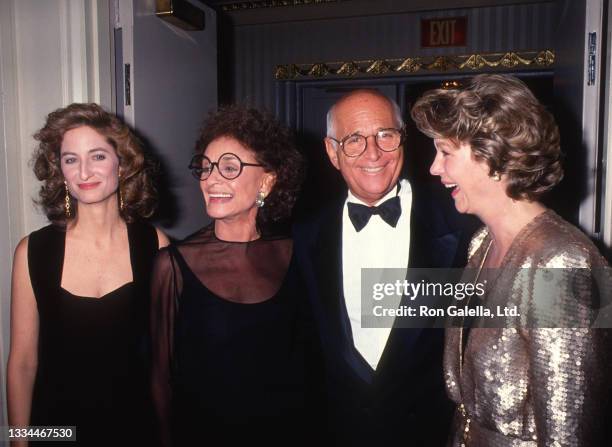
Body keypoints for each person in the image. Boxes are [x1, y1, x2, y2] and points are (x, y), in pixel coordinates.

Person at [411, 73, 611, 446]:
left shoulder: (563, 264)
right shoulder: (481, 243)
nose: (434, 168)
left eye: (446, 152)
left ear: (493, 155)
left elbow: (571, 432)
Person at [293, 89, 472, 446]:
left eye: (385, 136)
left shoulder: (463, 225)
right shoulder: (303, 235)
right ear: (332, 151)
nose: (373, 153)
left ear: (403, 139)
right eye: (354, 139)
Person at [150, 105, 321, 446]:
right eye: (206, 167)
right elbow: (159, 380)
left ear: (268, 180)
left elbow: (311, 369)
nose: (211, 179)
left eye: (229, 167)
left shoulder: (297, 253)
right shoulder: (172, 265)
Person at [7, 103, 169, 446]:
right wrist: (20, 442)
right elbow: (22, 363)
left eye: (97, 156)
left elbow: (166, 360)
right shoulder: (31, 252)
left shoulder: (154, 244)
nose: (84, 171)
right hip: (56, 432)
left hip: (136, 429)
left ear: (122, 162)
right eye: (70, 159)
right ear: (59, 170)